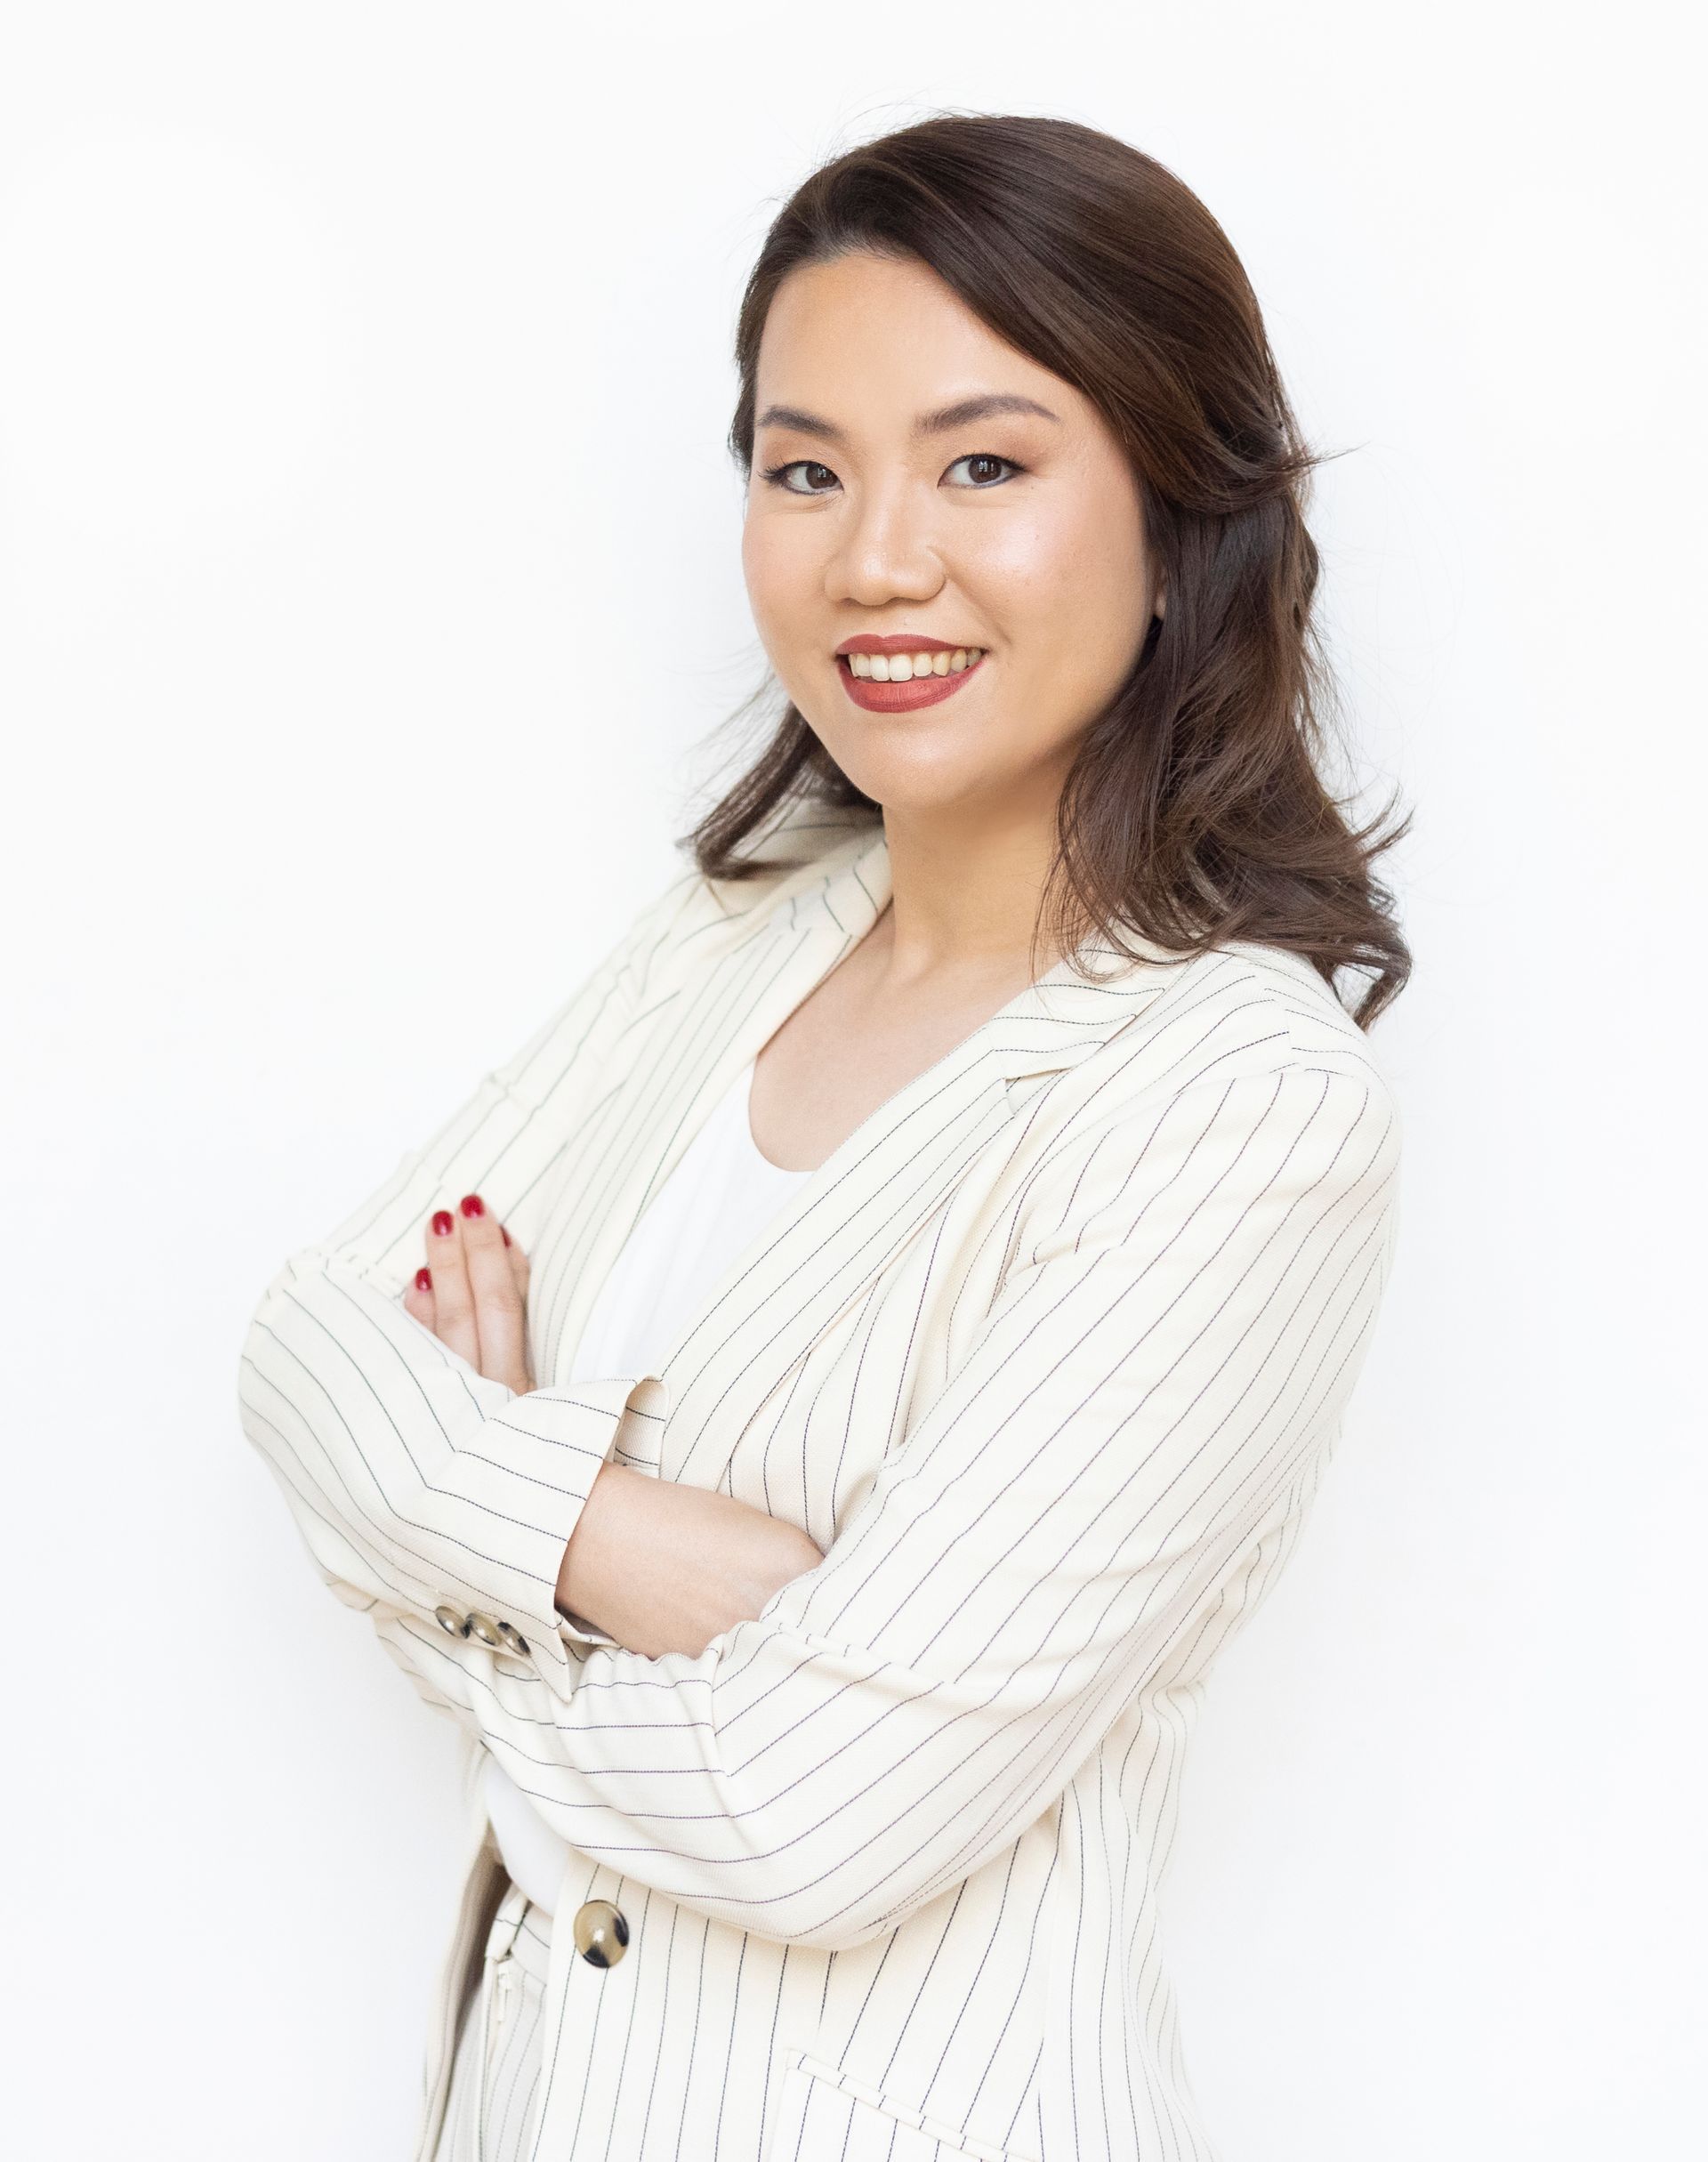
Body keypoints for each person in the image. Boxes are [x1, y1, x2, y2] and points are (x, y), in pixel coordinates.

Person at [238, 111, 1410, 2162]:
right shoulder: (733, 941)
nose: (876, 554)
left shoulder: (1243, 1108)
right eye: (805, 467)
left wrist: (464, 1521)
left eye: (985, 462)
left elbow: (812, 1808)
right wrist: (636, 1545)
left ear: (1179, 511)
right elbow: (303, 1346)